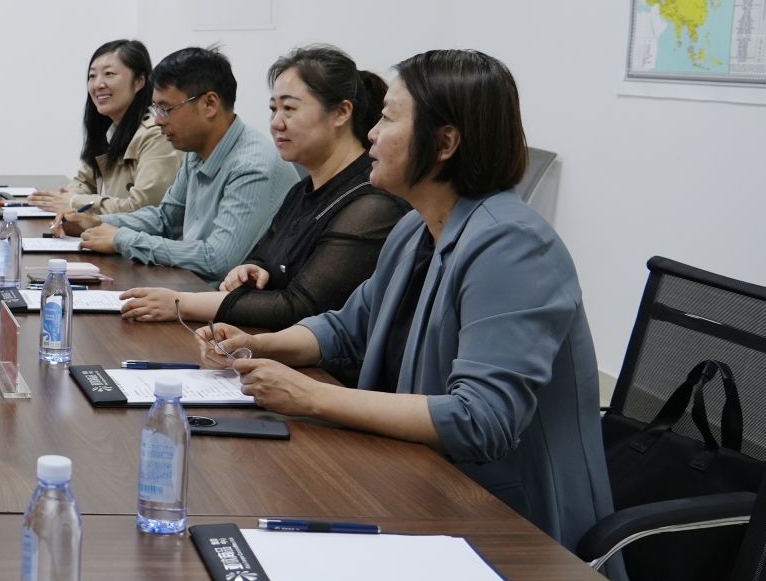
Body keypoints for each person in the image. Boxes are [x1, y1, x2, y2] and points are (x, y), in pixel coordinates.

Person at [199, 49, 612, 548]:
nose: (372, 133)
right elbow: (348, 327)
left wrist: (311, 397)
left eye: (389, 119)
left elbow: (482, 420)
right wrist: (260, 345)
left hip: (506, 524)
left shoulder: (514, 246)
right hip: (415, 483)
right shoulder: (415, 228)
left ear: (444, 143)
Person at [118, 45, 408, 363]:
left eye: (289, 109)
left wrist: (180, 303)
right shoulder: (303, 189)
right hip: (271, 354)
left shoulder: (371, 204)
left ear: (341, 113)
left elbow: (299, 306)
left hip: (322, 372)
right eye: (273, 109)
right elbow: (262, 258)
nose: (276, 123)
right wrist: (248, 270)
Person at [58, 46, 284, 281]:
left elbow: (218, 260)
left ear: (209, 104)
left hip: (229, 298)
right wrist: (96, 222)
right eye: (156, 109)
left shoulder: (251, 166)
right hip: (196, 287)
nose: (158, 121)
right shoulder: (196, 151)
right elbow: (165, 219)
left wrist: (121, 239)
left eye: (166, 109)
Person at [32, 39, 181, 218]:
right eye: (92, 76)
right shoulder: (111, 130)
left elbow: (143, 209)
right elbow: (84, 181)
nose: (97, 85)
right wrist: (65, 199)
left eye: (109, 74)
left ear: (139, 81)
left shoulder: (157, 134)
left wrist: (74, 202)